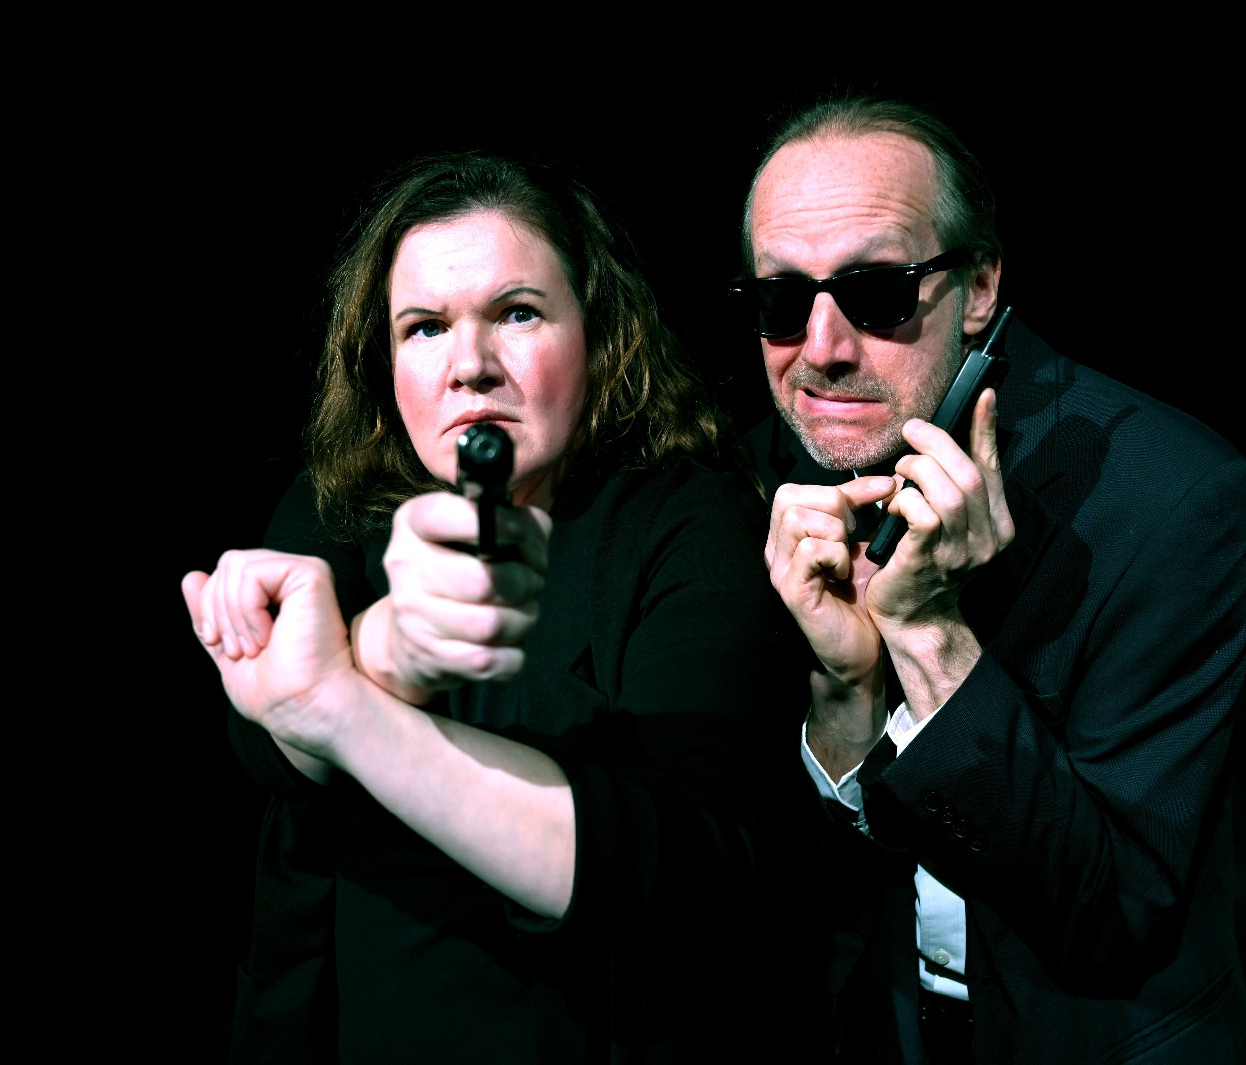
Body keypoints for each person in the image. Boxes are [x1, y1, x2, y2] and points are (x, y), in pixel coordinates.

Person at [184, 153, 805, 1064]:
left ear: (596, 333)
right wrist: (387, 651)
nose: (470, 367)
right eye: (425, 327)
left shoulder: (688, 519)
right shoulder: (334, 505)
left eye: (517, 313)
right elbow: (264, 745)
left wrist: (349, 706)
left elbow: (698, 862)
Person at [740, 99, 1246, 1063]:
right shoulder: (758, 473)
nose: (821, 347)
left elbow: (1114, 913)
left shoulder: (1172, 499)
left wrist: (931, 634)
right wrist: (843, 696)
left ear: (979, 286)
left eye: (878, 291)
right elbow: (788, 881)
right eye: (782, 298)